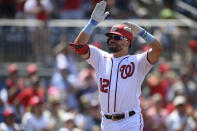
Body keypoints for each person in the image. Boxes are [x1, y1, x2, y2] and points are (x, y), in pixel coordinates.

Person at [69, 1, 163, 130]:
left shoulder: (138, 61)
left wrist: (143, 33)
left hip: (130, 120)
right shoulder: (101, 57)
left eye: (117, 37)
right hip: (107, 122)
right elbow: (78, 46)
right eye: (110, 36)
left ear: (127, 42)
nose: (112, 39)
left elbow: (157, 50)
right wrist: (92, 23)